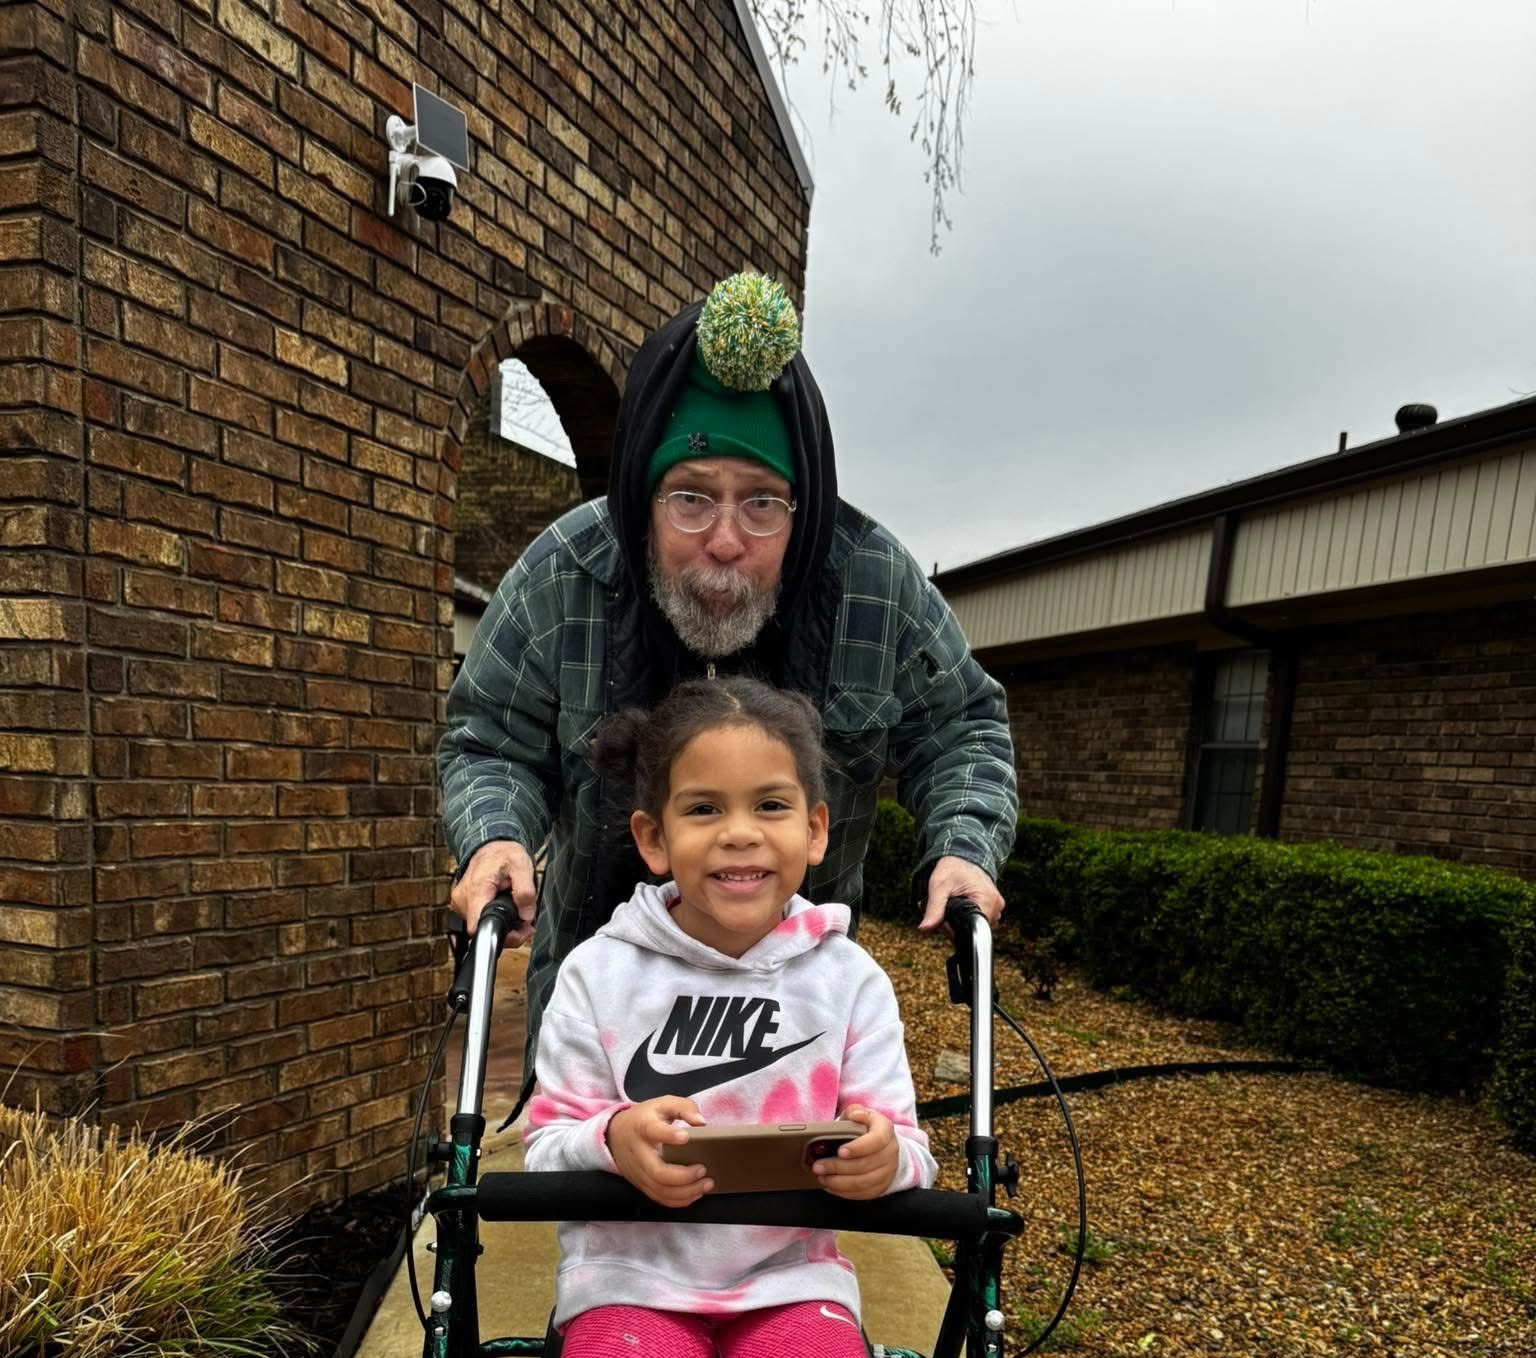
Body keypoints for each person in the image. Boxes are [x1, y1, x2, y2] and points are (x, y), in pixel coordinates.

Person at [439, 272, 1018, 1072]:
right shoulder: (562, 577)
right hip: (596, 1020)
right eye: (690, 498)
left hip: (801, 1032)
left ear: (802, 506)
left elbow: (964, 729)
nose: (723, 538)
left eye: (760, 503)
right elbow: (489, 738)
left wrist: (961, 848)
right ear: (644, 495)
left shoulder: (875, 588)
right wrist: (495, 836)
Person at [522, 677, 938, 1356]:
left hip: (793, 1283)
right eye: (705, 809)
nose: (740, 834)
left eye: (770, 805)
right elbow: (545, 1149)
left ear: (814, 831)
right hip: (631, 1282)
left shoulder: (849, 982)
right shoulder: (598, 976)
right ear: (654, 839)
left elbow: (911, 1151)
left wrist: (883, 1159)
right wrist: (613, 1139)